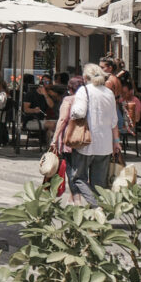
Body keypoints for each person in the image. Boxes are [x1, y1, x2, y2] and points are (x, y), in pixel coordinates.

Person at [70, 63, 121, 207]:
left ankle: (95, 207)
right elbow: (114, 121)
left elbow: (79, 112)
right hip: (105, 144)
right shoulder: (108, 93)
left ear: (85, 77)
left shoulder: (84, 90)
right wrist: (116, 141)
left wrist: (71, 112)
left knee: (78, 178)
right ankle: (99, 214)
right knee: (99, 184)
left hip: (86, 142)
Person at [53, 75, 85, 205]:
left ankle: (76, 199)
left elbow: (62, 120)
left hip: (70, 137)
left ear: (70, 89)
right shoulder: (87, 99)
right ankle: (73, 197)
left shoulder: (68, 99)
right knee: (80, 170)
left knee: (71, 170)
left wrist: (55, 138)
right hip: (85, 138)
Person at [23, 76, 56, 145]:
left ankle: (49, 146)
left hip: (44, 119)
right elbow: (25, 109)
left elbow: (52, 105)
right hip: (32, 120)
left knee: (55, 126)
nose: (44, 84)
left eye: (47, 82)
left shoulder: (47, 95)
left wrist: (45, 95)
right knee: (52, 125)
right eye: (43, 82)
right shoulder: (31, 94)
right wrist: (34, 110)